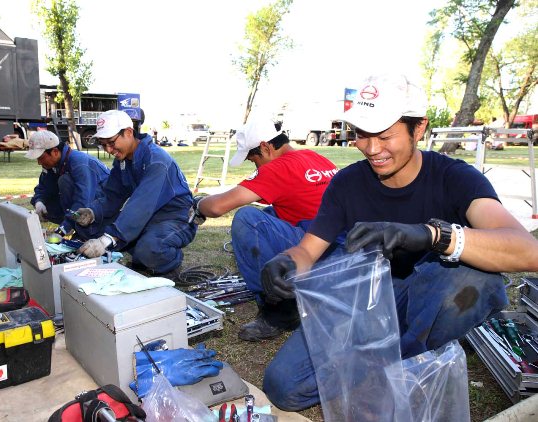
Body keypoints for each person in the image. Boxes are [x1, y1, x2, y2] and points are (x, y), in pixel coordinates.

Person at [258, 73, 538, 411]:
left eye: (385, 135)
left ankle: (407, 363)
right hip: (369, 300)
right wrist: (285, 263)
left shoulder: (454, 178)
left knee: (473, 279)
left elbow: (527, 251)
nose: (372, 149)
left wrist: (434, 235)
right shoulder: (347, 184)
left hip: (431, 300)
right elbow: (308, 249)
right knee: (283, 387)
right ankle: (384, 364)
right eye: (362, 135)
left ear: (418, 128)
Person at [189, 116, 338, 341]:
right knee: (269, 213)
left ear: (265, 147)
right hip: (338, 243)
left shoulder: (279, 168)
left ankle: (280, 310)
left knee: (248, 219)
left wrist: (199, 203)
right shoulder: (314, 157)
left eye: (253, 160)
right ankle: (302, 289)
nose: (255, 166)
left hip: (319, 249)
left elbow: (218, 206)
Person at [75, 110, 196, 276]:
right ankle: (141, 254)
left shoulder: (157, 161)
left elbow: (141, 205)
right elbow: (113, 195)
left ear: (129, 132)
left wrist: (107, 239)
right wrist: (93, 212)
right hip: (148, 216)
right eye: (103, 145)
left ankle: (170, 263)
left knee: (150, 247)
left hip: (176, 218)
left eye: (111, 142)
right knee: (90, 226)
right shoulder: (123, 160)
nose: (109, 150)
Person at [27, 131, 110, 239]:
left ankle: (88, 231)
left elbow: (83, 200)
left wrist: (62, 230)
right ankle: (75, 227)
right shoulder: (53, 164)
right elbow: (43, 187)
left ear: (55, 152)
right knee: (45, 199)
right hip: (84, 202)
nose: (39, 162)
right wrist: (39, 201)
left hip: (101, 202)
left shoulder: (79, 163)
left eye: (41, 158)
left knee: (64, 181)